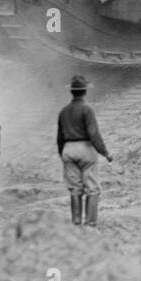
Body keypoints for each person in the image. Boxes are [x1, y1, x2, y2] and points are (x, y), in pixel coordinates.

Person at [56, 74, 112, 227]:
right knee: (92, 189)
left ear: (72, 92)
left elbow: (59, 137)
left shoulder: (64, 111)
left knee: (75, 189)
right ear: (85, 92)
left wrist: (63, 154)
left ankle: (76, 222)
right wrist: (105, 152)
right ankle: (91, 223)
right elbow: (94, 135)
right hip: (85, 149)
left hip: (68, 149)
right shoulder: (87, 110)